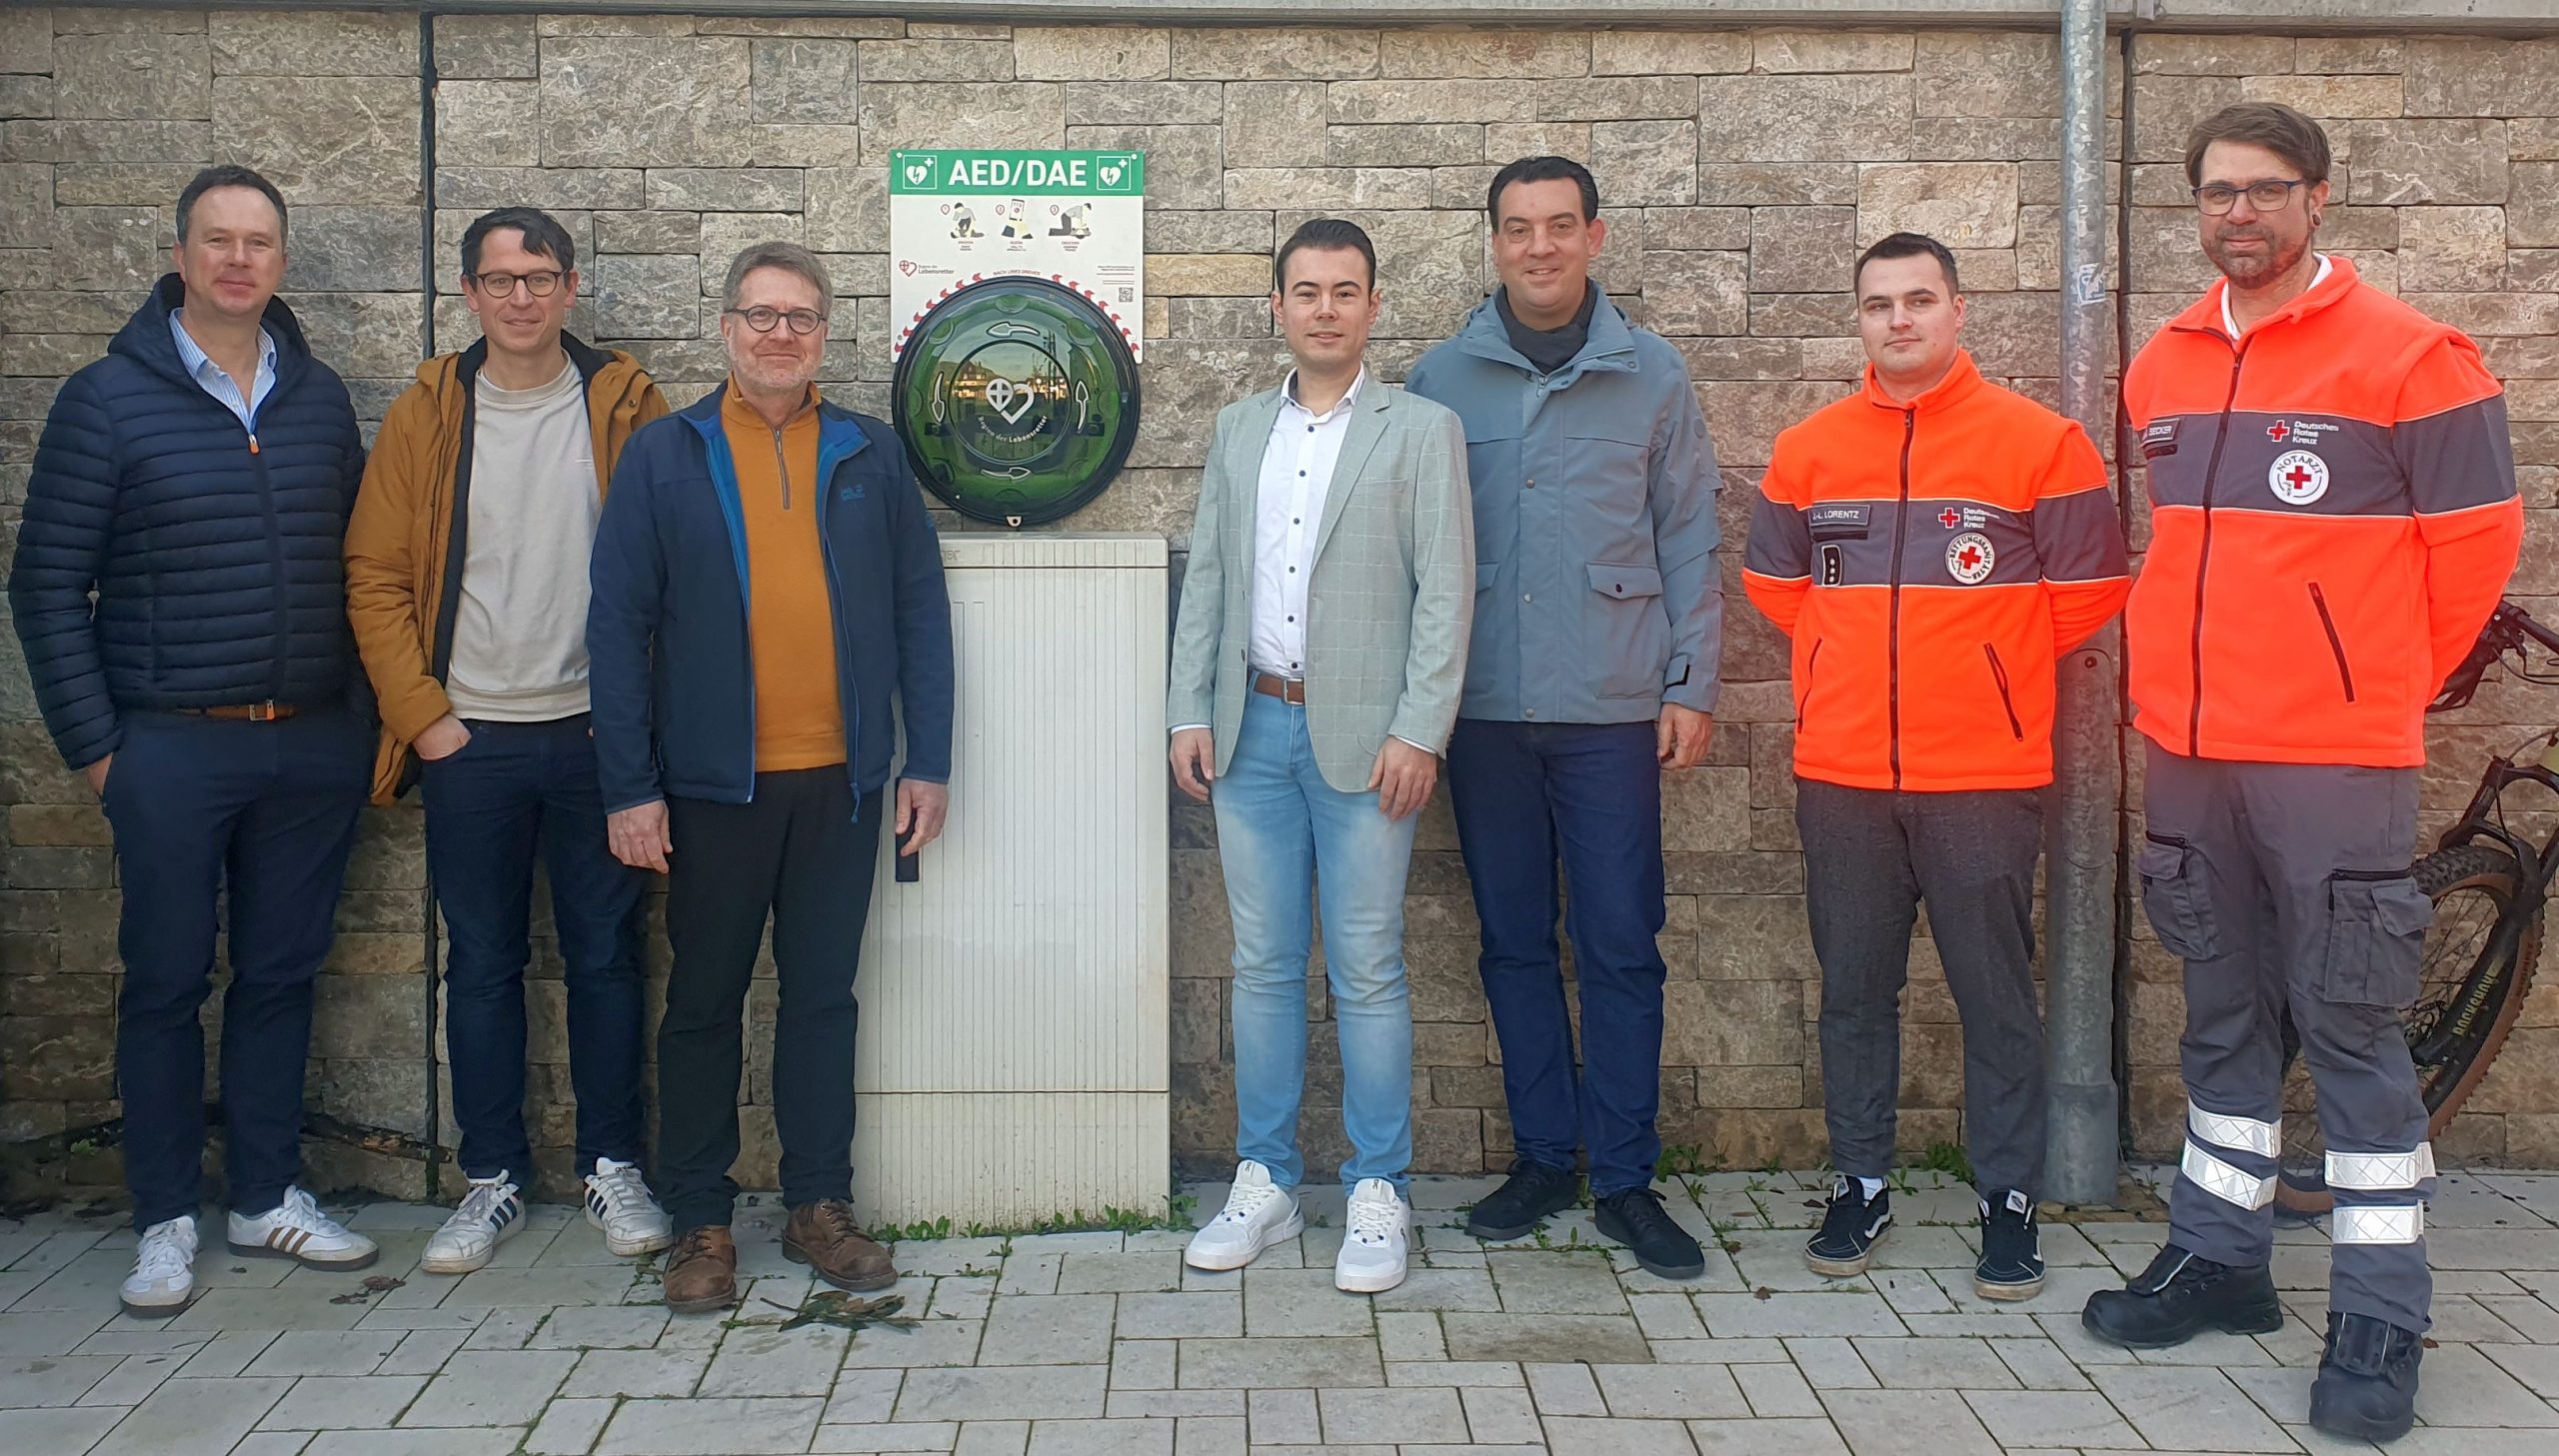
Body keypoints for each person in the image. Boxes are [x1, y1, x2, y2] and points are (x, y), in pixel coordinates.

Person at [2079, 103, 2522, 1445]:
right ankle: (2221, 1257)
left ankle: (2380, 1313)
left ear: (2318, 198)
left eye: (2267, 189)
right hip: (2189, 748)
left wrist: (2364, 682)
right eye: (2219, 191)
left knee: (2349, 1026)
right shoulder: (2160, 363)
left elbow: (2475, 554)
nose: (2241, 213)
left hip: (2333, 755)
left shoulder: (2416, 359)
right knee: (2222, 1012)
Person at [8, 165, 379, 1314]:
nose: (237, 259)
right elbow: (44, 586)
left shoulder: (317, 398)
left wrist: (361, 724)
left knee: (280, 973)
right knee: (166, 981)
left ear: (281, 261)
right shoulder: (105, 399)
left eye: (257, 241)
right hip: (168, 747)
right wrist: (101, 750)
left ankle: (265, 1192)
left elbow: (361, 568)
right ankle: (165, 1215)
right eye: (217, 240)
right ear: (179, 256)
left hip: (309, 744)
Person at [1742, 231, 2130, 1300]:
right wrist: (1845, 664)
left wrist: (1988, 665)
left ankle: (2008, 1199)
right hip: (1843, 775)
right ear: (1860, 320)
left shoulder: (2040, 443)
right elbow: (1775, 585)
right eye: (1879, 304)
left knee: (1996, 998)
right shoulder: (1809, 448)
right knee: (1854, 993)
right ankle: (1860, 1182)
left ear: (1958, 310)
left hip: (1982, 776)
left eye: (1918, 300)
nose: (1899, 320)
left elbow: (2090, 587)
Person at [588, 242, 956, 1315]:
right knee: (702, 1002)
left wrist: (927, 760)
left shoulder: (869, 453)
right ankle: (700, 1218)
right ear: (726, 329)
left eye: (800, 317)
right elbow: (616, 629)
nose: (780, 334)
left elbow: (920, 613)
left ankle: (817, 1205)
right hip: (712, 791)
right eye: (761, 315)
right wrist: (629, 786)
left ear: (824, 334)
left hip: (843, 785)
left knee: (822, 999)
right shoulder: (666, 454)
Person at [1404, 156, 1721, 1279]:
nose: (1537, 246)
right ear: (1493, 242)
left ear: (1595, 235)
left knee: (1621, 943)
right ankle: (1545, 1157)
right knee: (1511, 942)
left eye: (1558, 225)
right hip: (1485, 711)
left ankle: (1626, 1177)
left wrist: (1690, 682)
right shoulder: (1441, 379)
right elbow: (1412, 549)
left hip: (1611, 707)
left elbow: (1689, 533)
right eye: (1516, 227)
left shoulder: (1652, 375)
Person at [344, 207, 674, 1274]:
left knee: (606, 958)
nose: (521, 297)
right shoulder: (427, 411)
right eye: (500, 279)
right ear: (470, 294)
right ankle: (490, 1174)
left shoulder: (625, 402)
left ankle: (613, 1163)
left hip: (596, 736)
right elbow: (375, 575)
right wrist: (425, 718)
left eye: (539, 277)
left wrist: (642, 727)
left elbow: (676, 568)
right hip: (469, 737)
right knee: (481, 961)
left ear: (570, 287)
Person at [1170, 219, 1474, 1295]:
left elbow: (1446, 589)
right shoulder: (1239, 427)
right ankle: (1265, 1177)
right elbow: (1210, 576)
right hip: (1250, 730)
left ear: (1372, 306)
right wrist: (1187, 709)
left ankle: (1378, 1187)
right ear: (1278, 307)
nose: (1326, 308)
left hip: (1370, 743)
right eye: (1307, 291)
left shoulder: (1421, 430)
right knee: (1262, 964)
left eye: (1346, 291)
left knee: (1368, 967)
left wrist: (1419, 729)